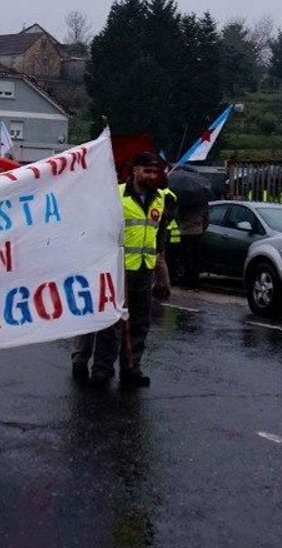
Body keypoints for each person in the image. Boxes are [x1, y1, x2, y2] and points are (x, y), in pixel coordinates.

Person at [80, 153, 172, 389]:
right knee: (112, 324)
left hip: (143, 269)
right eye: (147, 171)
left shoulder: (160, 198)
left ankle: (131, 368)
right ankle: (102, 371)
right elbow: (99, 229)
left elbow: (159, 233)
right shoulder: (116, 194)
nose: (151, 176)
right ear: (135, 171)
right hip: (118, 270)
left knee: (140, 322)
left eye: (155, 172)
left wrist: (161, 271)